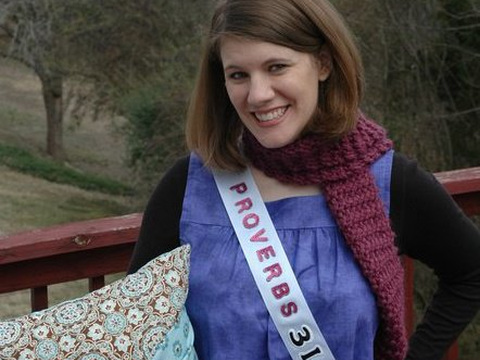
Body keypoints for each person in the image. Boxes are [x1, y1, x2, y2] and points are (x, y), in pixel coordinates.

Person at [128, 0, 480, 359]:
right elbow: (132, 323)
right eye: (238, 75)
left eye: (277, 67)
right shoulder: (189, 185)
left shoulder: (390, 182)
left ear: (323, 64)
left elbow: (471, 272)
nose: (258, 94)